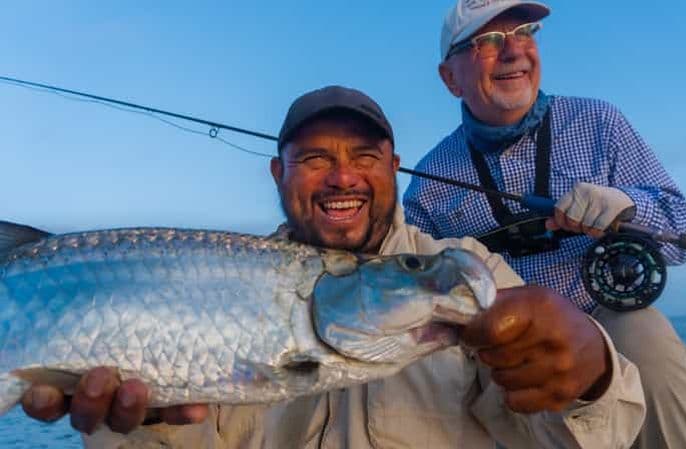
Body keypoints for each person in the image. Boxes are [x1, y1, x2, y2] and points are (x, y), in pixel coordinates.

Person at [22, 86, 646, 448]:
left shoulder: (459, 274)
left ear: (394, 167)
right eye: (316, 158)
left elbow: (585, 439)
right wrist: (144, 431)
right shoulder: (229, 279)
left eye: (365, 157)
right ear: (279, 175)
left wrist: (590, 373)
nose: (343, 176)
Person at [402, 1, 686, 449]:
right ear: (450, 78)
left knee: (652, 346)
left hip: (610, 315)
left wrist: (626, 205)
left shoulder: (600, 122)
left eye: (525, 32)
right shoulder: (426, 185)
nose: (513, 51)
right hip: (500, 340)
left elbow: (682, 230)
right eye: (488, 41)